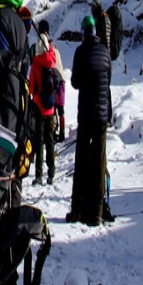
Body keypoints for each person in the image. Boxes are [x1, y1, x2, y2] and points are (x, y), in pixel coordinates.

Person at [67, 16, 112, 226]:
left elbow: (75, 82)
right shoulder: (105, 51)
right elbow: (108, 81)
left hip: (86, 113)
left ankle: (77, 209)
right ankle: (97, 212)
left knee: (82, 160)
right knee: (99, 161)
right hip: (102, 115)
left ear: (83, 33)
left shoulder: (81, 51)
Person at [28, 21, 63, 185]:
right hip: (50, 107)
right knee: (49, 140)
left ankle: (39, 174)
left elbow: (31, 85)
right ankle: (52, 172)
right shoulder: (52, 59)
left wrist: (34, 95)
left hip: (38, 106)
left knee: (39, 139)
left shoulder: (35, 62)